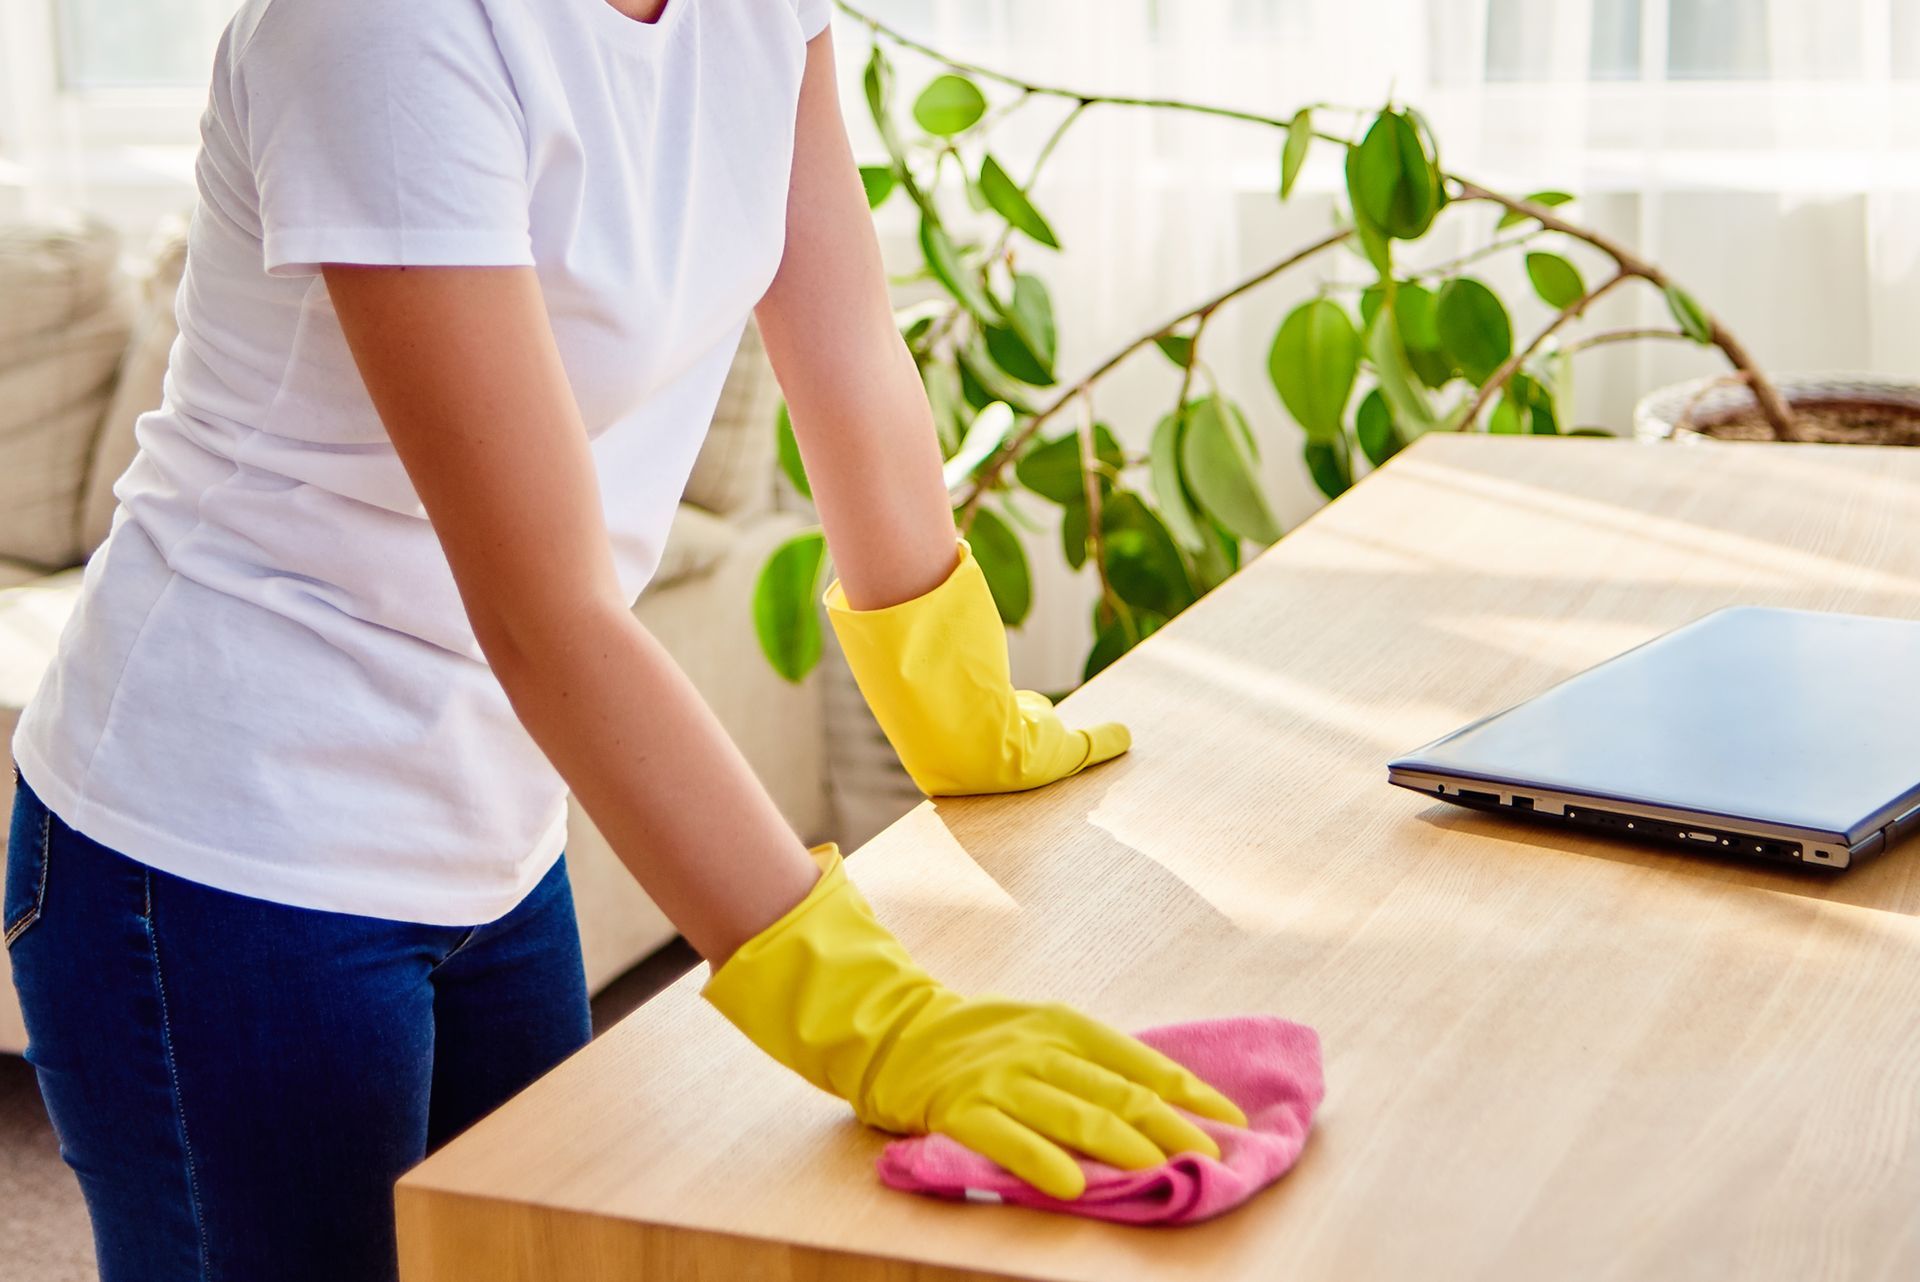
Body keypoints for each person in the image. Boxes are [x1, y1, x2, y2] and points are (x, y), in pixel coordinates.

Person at [1, 1, 1246, 1278]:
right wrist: (875, 1016)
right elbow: (547, 615)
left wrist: (957, 699)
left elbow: (851, 351)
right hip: (222, 856)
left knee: (546, 1247)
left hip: (494, 823)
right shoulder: (379, 27)